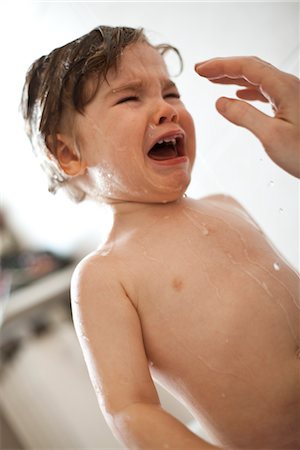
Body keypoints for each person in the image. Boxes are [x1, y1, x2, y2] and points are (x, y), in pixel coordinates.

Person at [21, 26, 300, 449]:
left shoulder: (227, 205)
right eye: (130, 97)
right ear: (69, 154)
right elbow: (130, 409)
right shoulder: (105, 274)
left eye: (171, 94)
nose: (166, 109)